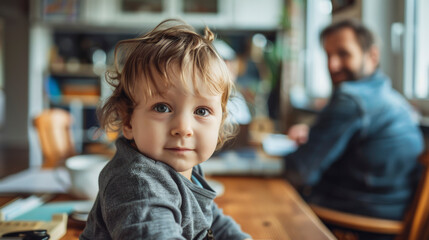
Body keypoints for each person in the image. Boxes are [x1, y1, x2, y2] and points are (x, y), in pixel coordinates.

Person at [80, 19, 252, 240]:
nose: (183, 128)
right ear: (129, 121)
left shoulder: (186, 168)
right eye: (162, 108)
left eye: (201, 111)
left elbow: (210, 219)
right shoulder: (136, 183)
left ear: (221, 121)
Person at [283, 19, 424, 239]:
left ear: (372, 56)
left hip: (360, 219)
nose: (332, 65)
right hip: (395, 211)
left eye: (343, 54)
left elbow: (300, 172)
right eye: (328, 55)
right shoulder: (392, 98)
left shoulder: (350, 98)